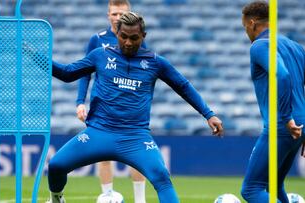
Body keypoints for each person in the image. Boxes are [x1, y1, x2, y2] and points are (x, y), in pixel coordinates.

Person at [46, 12, 223, 203]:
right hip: (99, 132)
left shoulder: (156, 62)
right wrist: (35, 55)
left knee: (161, 177)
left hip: (135, 137)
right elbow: (66, 73)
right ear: (117, 34)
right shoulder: (100, 55)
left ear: (143, 36)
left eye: (134, 38)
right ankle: (57, 199)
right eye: (124, 37)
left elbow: (183, 86)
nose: (128, 43)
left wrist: (208, 114)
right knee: (56, 165)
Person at [75, 1, 147, 202]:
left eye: (122, 13)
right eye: (114, 14)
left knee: (135, 154)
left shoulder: (136, 39)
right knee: (103, 154)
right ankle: (107, 197)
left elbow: (147, 69)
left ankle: (140, 200)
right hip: (103, 108)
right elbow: (84, 73)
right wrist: (81, 101)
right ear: (108, 15)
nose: (118, 17)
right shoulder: (96, 40)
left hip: (129, 108)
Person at [240, 1, 305, 202]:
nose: (246, 32)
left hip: (282, 125)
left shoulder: (259, 45)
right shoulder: (295, 47)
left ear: (252, 23)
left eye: (245, 27)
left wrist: (286, 117)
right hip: (301, 125)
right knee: (274, 184)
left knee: (251, 189)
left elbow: (282, 75)